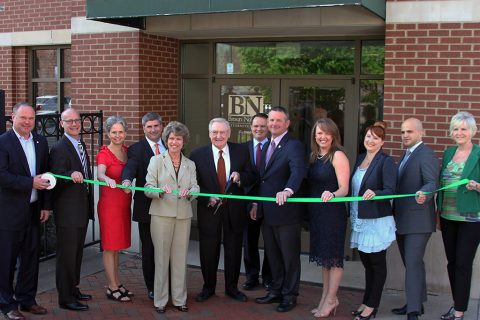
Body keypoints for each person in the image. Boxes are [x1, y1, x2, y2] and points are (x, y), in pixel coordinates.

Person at [190, 118, 256, 303]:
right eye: (214, 132)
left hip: (234, 210)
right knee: (208, 251)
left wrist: (240, 176)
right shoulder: (197, 154)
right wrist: (206, 197)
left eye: (222, 132)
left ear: (229, 133)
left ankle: (232, 288)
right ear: (209, 134)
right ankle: (208, 288)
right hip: (209, 209)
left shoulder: (241, 151)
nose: (218, 136)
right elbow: (193, 184)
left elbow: (253, 176)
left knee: (234, 250)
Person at [254, 106, 307, 313]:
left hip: (287, 212)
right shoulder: (268, 144)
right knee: (273, 254)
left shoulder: (293, 145)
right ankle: (275, 290)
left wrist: (288, 189)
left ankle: (290, 295)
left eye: (278, 121)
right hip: (267, 211)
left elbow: (298, 171)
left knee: (289, 256)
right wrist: (257, 203)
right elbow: (264, 179)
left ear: (287, 123)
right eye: (271, 120)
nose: (273, 124)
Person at [0, 103, 50, 320]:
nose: (28, 122)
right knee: (7, 260)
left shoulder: (40, 141)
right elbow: (2, 176)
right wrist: (30, 183)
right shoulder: (3, 142)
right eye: (23, 118)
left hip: (34, 209)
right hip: (9, 212)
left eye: (31, 118)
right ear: (13, 117)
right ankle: (7, 304)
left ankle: (27, 299)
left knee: (31, 258)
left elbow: (46, 174)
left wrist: (46, 205)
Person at [144, 121, 199, 313]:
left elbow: (196, 187)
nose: (175, 142)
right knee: (161, 258)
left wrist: (190, 192)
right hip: (161, 215)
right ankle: (160, 300)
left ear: (184, 142)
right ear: (166, 140)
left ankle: (179, 299)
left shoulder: (190, 164)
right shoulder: (156, 161)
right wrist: (159, 191)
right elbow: (147, 187)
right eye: (172, 138)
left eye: (179, 139)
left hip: (183, 215)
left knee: (179, 258)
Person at [391, 118, 439, 320]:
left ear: (421, 133)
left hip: (418, 220)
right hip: (402, 219)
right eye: (403, 132)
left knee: (412, 264)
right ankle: (417, 303)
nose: (405, 136)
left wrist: (424, 193)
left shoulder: (426, 154)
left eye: (410, 132)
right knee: (414, 264)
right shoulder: (406, 155)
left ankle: (413, 311)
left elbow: (431, 182)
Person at [350, 121, 397, 320]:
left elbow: (391, 190)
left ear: (382, 142)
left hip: (376, 221)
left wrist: (375, 193)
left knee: (377, 265)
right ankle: (366, 301)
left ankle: (372, 306)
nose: (370, 140)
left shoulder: (386, 161)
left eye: (375, 138)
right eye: (368, 136)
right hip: (359, 218)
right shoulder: (360, 159)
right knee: (367, 264)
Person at [49, 108, 94, 311]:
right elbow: (56, 176)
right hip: (67, 211)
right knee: (66, 255)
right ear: (62, 124)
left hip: (81, 208)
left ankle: (73, 288)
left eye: (77, 120)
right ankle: (65, 298)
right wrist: (70, 173)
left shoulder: (80, 143)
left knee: (76, 254)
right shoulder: (59, 147)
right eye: (70, 121)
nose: (75, 124)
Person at [437, 111, 480, 320]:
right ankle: (457, 305)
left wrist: (478, 186)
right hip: (447, 216)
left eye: (464, 128)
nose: (459, 132)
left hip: (471, 218)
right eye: (456, 128)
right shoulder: (448, 153)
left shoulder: (479, 154)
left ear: (472, 131)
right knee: (452, 262)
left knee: (463, 263)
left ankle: (460, 312)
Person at [307, 118, 350, 318]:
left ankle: (332, 298)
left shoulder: (338, 155)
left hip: (333, 214)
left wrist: (333, 194)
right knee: (325, 259)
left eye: (326, 133)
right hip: (318, 214)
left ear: (333, 135)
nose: (322, 137)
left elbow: (344, 188)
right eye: (318, 133)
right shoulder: (315, 156)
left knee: (333, 258)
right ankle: (325, 297)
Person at [121, 112, 166, 300]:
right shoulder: (136, 149)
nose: (153, 129)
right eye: (149, 126)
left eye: (156, 126)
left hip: (170, 207)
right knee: (150, 249)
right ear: (143, 128)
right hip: (147, 208)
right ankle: (153, 287)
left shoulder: (171, 145)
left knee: (167, 249)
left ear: (162, 127)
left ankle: (168, 284)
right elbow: (130, 167)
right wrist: (126, 180)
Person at [96, 116, 132, 302]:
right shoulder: (104, 153)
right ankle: (111, 287)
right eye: (113, 132)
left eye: (120, 132)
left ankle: (117, 283)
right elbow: (101, 173)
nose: (117, 135)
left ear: (125, 133)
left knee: (117, 247)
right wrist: (107, 179)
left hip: (124, 204)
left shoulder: (127, 151)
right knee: (110, 247)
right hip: (110, 205)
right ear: (108, 133)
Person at [242, 113, 272, 291]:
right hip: (247, 204)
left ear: (268, 127)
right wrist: (252, 202)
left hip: (268, 204)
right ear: (251, 127)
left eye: (262, 126)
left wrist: (259, 202)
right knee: (249, 242)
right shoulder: (242, 149)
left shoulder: (275, 148)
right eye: (256, 126)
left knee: (270, 243)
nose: (259, 129)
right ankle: (251, 277)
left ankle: (268, 277)